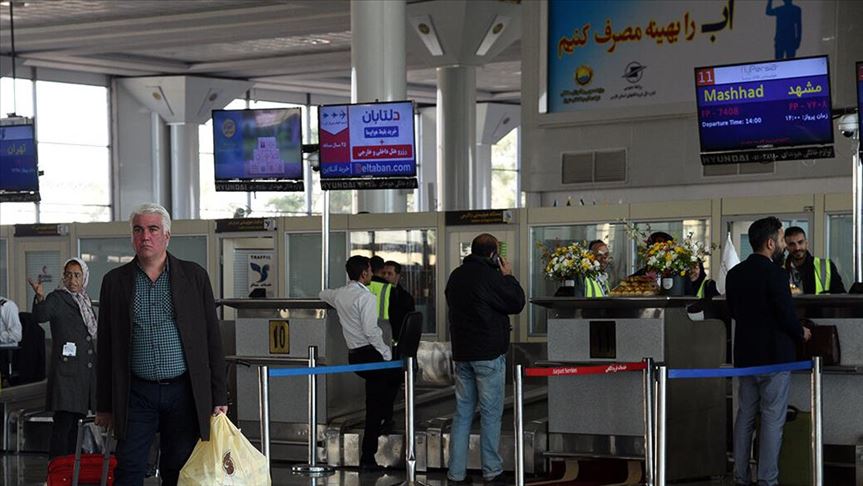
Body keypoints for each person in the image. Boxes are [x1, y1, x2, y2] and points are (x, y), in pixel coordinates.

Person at [96, 203, 228, 486]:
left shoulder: (194, 277)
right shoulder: (115, 282)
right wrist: (104, 405)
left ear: (167, 235)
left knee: (178, 467)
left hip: (183, 392)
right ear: (132, 236)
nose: (145, 236)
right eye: (138, 230)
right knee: (129, 466)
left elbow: (212, 339)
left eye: (153, 229)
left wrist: (219, 396)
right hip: (136, 393)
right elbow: (105, 346)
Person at [726, 216, 811, 486]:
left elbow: (733, 312)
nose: (785, 245)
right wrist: (801, 332)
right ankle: (767, 480)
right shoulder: (776, 274)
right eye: (782, 239)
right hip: (775, 357)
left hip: (746, 357)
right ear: (771, 243)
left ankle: (740, 476)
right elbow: (785, 314)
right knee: (773, 420)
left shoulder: (735, 274)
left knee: (745, 417)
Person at [445, 233, 525, 485]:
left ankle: (456, 474)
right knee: (490, 414)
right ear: (493, 253)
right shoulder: (492, 276)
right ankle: (492, 471)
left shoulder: (456, 276)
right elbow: (516, 302)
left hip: (462, 354)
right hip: (488, 354)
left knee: (462, 414)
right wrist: (508, 276)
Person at [319, 255, 399, 471]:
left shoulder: (340, 294)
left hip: (354, 355)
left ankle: (384, 421)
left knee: (380, 395)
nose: (373, 274)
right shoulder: (366, 298)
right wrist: (386, 354)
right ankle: (368, 456)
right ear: (364, 274)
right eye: (371, 271)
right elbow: (371, 331)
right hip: (371, 355)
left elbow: (322, 294)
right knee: (375, 405)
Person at [28, 258, 98, 459]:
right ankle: (58, 468)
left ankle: (71, 469)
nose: (72, 280)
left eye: (77, 275)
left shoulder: (84, 301)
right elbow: (40, 316)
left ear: (84, 278)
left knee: (76, 426)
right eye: (68, 275)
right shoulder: (57, 298)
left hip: (82, 375)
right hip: (66, 375)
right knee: (63, 425)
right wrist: (39, 297)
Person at [783, 226, 845, 294]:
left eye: (800, 242)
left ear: (806, 243)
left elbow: (840, 295)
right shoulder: (779, 268)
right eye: (792, 244)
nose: (797, 248)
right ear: (786, 247)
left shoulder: (826, 266)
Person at [382, 259, 417, 342]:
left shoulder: (405, 297)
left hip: (398, 338)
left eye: (389, 273)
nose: (385, 276)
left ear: (397, 276)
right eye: (383, 273)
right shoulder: (378, 293)